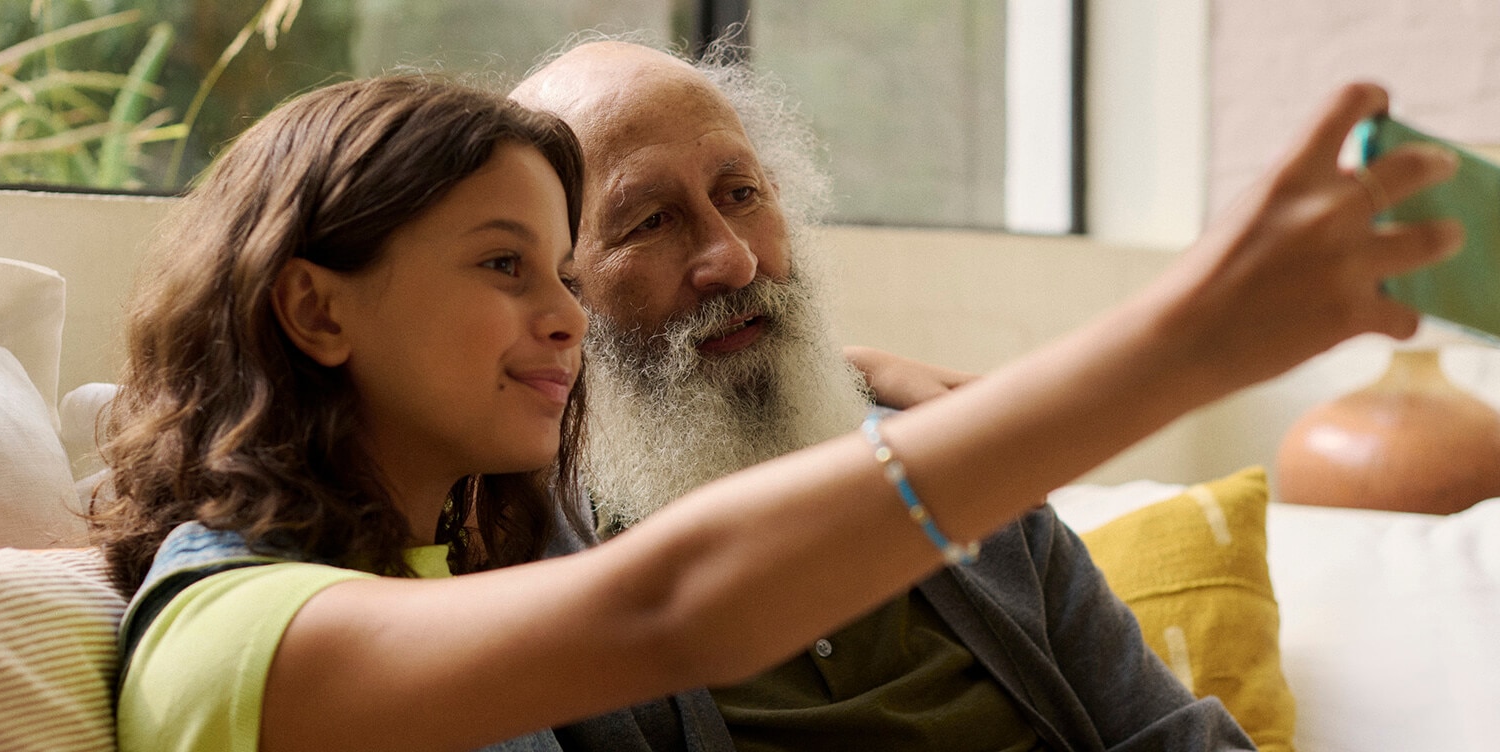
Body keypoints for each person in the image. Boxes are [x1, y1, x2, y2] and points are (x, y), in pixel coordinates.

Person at [90, 68, 1454, 752]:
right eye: (513, 266)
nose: (561, 310)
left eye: (563, 264)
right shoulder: (244, 626)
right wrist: (1182, 343)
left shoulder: (438, 557)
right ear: (317, 311)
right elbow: (670, 607)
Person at [510, 39, 1459, 751]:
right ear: (557, 288)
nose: (734, 257)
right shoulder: (512, 566)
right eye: (648, 221)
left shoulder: (964, 481)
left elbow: (1166, 738)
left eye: (743, 191)